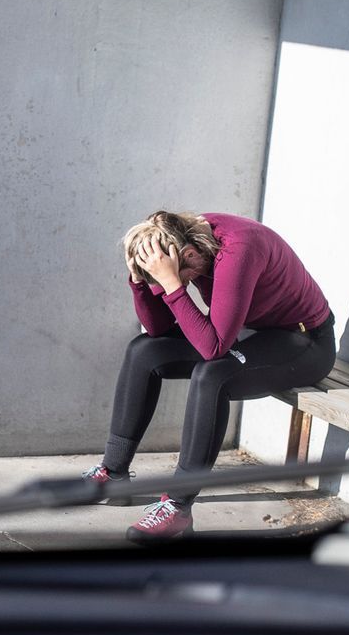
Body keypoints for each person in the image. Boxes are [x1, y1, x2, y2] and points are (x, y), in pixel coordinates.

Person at [84, 210, 335, 542]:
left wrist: (173, 285)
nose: (166, 282)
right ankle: (113, 473)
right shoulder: (188, 241)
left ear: (188, 255)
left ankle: (178, 506)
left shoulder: (239, 248)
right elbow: (159, 329)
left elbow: (214, 348)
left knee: (212, 375)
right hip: (252, 332)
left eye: (169, 274)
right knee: (143, 350)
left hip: (305, 344)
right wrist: (139, 282)